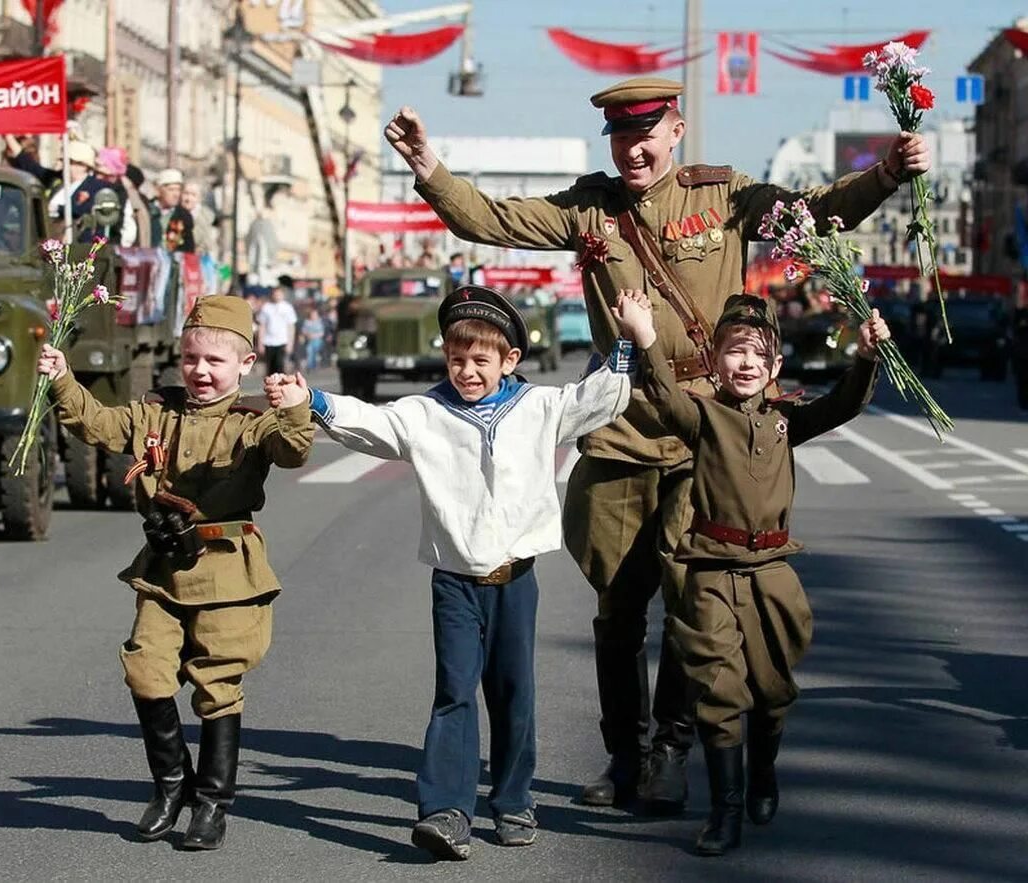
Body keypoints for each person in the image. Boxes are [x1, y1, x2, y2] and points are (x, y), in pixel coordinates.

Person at [384, 76, 930, 813]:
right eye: (619, 136)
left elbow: (814, 216)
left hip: (701, 432)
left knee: (688, 601)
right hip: (619, 431)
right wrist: (430, 168)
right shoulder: (590, 209)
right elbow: (492, 219)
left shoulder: (724, 195)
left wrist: (889, 172)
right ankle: (625, 755)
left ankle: (670, 753)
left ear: (677, 129)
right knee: (617, 607)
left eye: (645, 134)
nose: (632, 149)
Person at [265, 285, 637, 860]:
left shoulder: (537, 407)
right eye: (457, 359)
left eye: (481, 361)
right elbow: (368, 421)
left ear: (510, 361)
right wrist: (310, 396)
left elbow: (597, 399)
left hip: (516, 580)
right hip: (455, 583)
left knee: (514, 694)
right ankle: (446, 810)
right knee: (454, 692)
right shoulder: (424, 414)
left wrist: (629, 338)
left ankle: (513, 801)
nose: (467, 371)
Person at [35, 295, 314, 850]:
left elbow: (291, 451)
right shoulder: (155, 412)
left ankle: (211, 804)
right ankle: (169, 787)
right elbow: (98, 425)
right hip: (164, 567)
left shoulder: (252, 421)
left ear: (245, 364)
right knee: (146, 671)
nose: (201, 371)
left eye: (214, 361)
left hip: (227, 571)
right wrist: (63, 377)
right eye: (191, 359)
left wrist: (295, 408)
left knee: (217, 683)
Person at [615, 291, 889, 855]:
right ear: (716, 360)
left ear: (776, 367)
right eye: (735, 352)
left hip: (771, 572)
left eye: (759, 355)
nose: (746, 363)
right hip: (711, 569)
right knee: (717, 688)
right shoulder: (704, 416)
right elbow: (666, 400)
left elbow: (841, 405)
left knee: (772, 691)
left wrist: (865, 357)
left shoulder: (787, 419)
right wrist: (644, 336)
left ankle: (763, 772)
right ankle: (725, 812)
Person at [5, 135, 104, 242]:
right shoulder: (57, 180)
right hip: (49, 240)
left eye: (71, 162)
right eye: (65, 162)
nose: (66, 166)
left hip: (76, 245)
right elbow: (30, 165)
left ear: (84, 166)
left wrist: (57, 209)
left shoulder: (95, 187)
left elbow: (82, 211)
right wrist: (9, 137)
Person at [257, 282, 298, 375]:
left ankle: (281, 387)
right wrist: (260, 343)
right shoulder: (266, 307)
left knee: (280, 367)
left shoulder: (287, 308)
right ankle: (271, 387)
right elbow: (262, 326)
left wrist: (290, 343)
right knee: (270, 368)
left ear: (283, 295)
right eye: (275, 294)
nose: (277, 296)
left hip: (282, 341)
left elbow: (291, 326)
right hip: (269, 341)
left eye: (279, 294)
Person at [153, 168, 196, 253]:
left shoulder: (184, 216)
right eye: (171, 189)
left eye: (178, 190)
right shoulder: (147, 210)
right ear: (159, 190)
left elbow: (188, 250)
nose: (176, 194)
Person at [299, 305, 326, 371]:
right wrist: (308, 335)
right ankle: (311, 366)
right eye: (312, 314)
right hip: (309, 340)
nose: (314, 316)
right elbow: (303, 331)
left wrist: (315, 336)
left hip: (318, 340)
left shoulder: (320, 322)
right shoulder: (307, 322)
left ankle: (315, 365)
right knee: (310, 351)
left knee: (315, 352)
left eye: (315, 314)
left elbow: (322, 332)